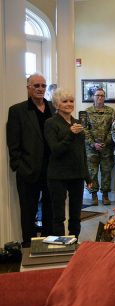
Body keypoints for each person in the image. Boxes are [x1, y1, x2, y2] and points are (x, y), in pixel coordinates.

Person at [6, 73, 55, 246]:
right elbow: (13, 143)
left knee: (51, 211)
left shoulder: (53, 108)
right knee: (28, 212)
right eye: (36, 86)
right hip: (28, 170)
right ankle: (29, 248)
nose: (40, 89)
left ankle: (49, 246)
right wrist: (18, 166)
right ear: (28, 88)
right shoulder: (17, 110)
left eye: (43, 85)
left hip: (52, 171)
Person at [44, 88, 91, 237]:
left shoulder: (77, 122)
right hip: (58, 175)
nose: (69, 104)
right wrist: (71, 134)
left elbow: (81, 151)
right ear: (57, 104)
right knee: (58, 215)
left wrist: (87, 176)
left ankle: (74, 241)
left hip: (77, 174)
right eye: (65, 101)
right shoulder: (51, 123)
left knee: (76, 214)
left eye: (71, 101)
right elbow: (56, 149)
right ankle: (60, 246)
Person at [84, 88, 115, 205]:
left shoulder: (111, 111)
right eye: (97, 95)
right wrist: (93, 143)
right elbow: (84, 129)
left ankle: (105, 195)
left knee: (106, 171)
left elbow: (114, 129)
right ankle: (93, 195)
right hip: (91, 148)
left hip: (106, 148)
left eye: (102, 95)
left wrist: (105, 142)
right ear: (93, 96)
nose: (100, 97)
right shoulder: (86, 112)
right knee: (92, 172)